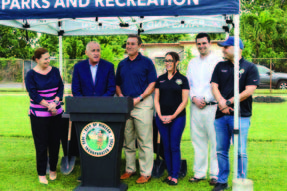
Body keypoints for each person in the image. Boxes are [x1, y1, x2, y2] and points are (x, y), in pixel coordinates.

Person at [210, 36, 259, 191]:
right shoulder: (220, 66)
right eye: (223, 47)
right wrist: (221, 103)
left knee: (240, 150)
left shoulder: (250, 67)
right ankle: (222, 181)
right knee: (221, 150)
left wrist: (229, 102)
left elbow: (249, 90)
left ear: (237, 48)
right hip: (221, 116)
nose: (223, 49)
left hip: (241, 116)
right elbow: (214, 86)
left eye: (226, 47)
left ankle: (240, 181)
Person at [71, 41, 116, 181]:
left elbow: (111, 89)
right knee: (87, 142)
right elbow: (75, 90)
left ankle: (104, 171)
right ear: (86, 53)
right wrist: (88, 105)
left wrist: (99, 103)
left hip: (104, 111)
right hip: (85, 113)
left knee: (103, 143)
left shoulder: (109, 66)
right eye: (93, 50)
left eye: (98, 50)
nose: (96, 53)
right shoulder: (78, 67)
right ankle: (87, 173)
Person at [116, 34, 157, 184]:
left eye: (132, 44)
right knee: (128, 140)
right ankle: (130, 169)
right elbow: (117, 83)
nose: (129, 46)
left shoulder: (147, 63)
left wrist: (139, 98)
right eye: (127, 43)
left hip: (143, 104)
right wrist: (121, 96)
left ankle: (146, 172)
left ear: (140, 46)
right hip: (126, 105)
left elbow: (152, 83)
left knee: (144, 140)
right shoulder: (122, 64)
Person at [186, 33, 222, 185]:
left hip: (212, 107)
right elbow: (189, 84)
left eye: (204, 43)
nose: (201, 46)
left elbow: (217, 84)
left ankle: (215, 174)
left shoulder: (218, 62)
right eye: (198, 44)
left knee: (215, 141)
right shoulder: (192, 63)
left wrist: (206, 99)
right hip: (195, 107)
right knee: (198, 141)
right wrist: (194, 98)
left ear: (209, 43)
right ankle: (199, 173)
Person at [25, 48, 64, 184]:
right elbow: (33, 94)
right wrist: (48, 105)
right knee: (41, 145)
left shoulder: (55, 71)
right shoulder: (30, 74)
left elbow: (61, 87)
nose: (48, 60)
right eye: (45, 58)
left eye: (49, 58)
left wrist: (55, 102)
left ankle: (53, 170)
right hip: (38, 115)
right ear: (37, 59)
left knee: (54, 143)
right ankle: (41, 173)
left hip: (56, 113)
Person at [154, 52, 189, 185]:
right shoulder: (160, 79)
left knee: (174, 146)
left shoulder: (182, 79)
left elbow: (184, 101)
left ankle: (175, 176)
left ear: (176, 62)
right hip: (161, 118)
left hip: (177, 118)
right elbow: (156, 99)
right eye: (166, 60)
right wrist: (160, 115)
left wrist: (172, 116)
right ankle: (169, 174)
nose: (167, 62)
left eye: (170, 60)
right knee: (166, 146)